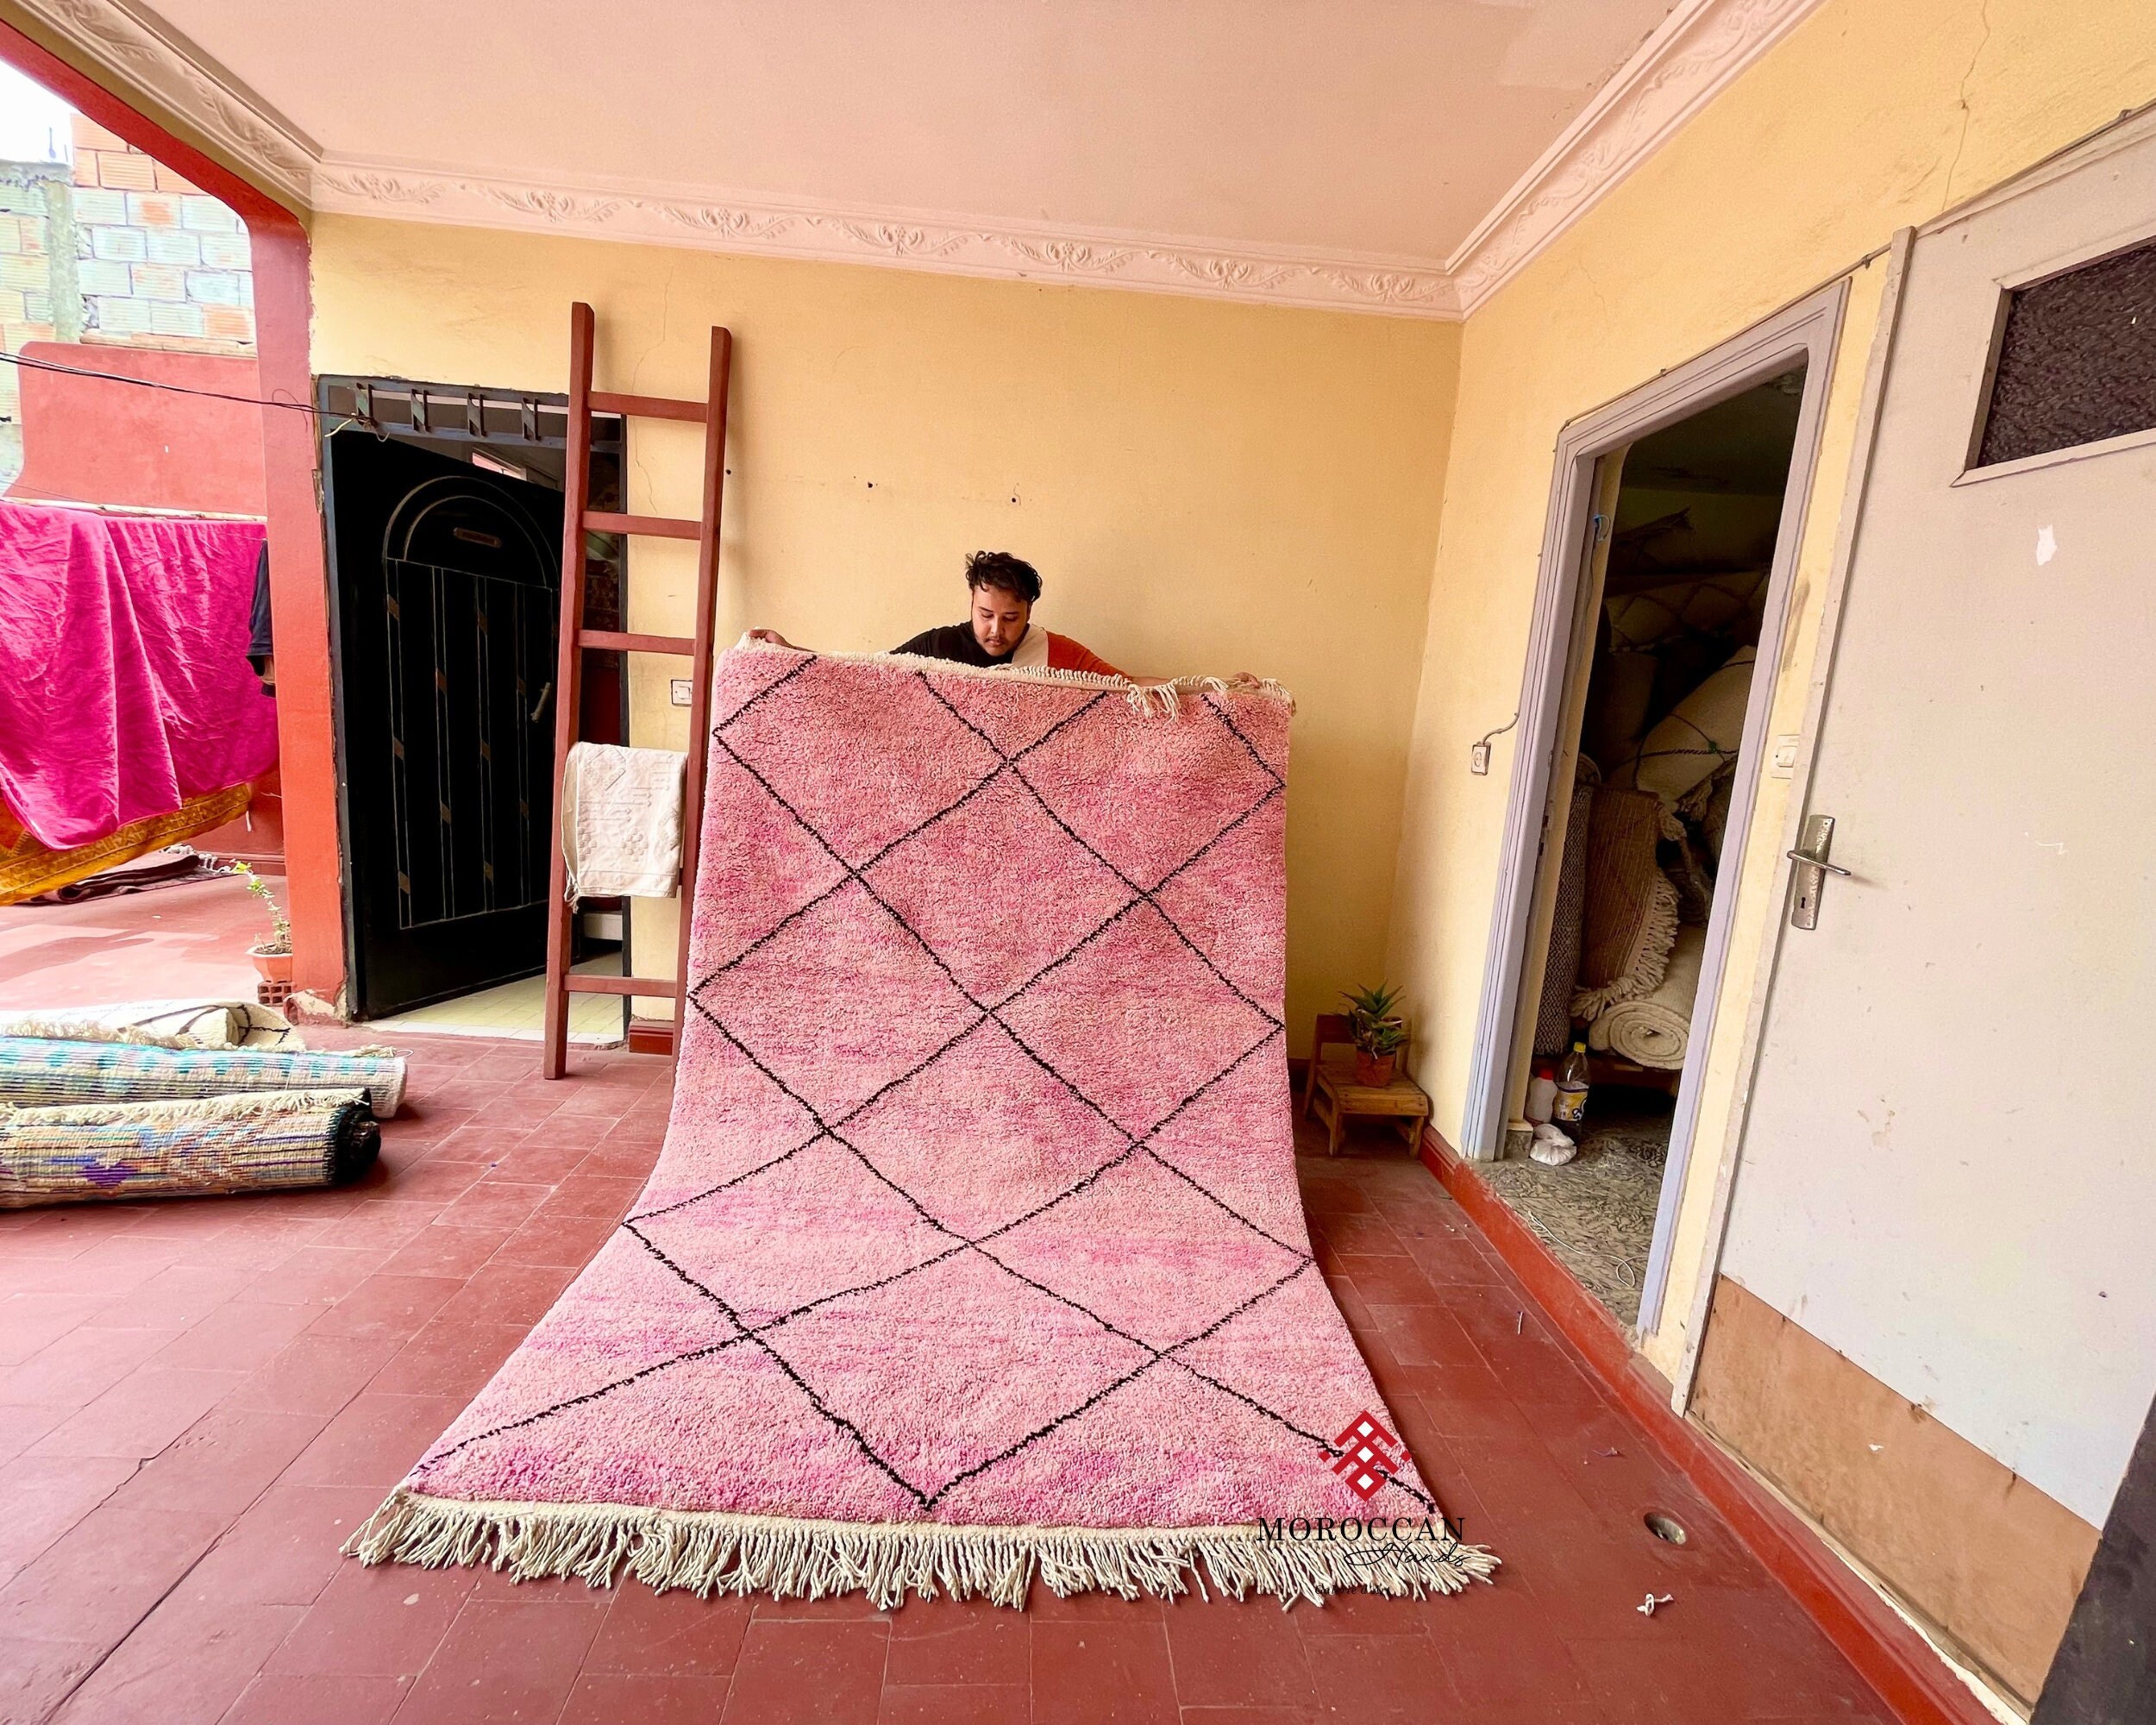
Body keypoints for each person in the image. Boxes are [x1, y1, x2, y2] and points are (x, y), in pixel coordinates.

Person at [749, 551, 1125, 678]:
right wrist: (788, 652)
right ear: (971, 602)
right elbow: (864, 672)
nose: (996, 629)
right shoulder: (938, 646)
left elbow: (1128, 688)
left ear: (1029, 611)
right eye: (985, 614)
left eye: (1011, 619)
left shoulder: (1055, 652)